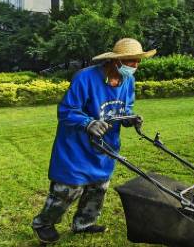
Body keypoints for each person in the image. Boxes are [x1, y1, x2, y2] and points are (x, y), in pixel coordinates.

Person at [31, 38, 155, 243]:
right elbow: (67, 110)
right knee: (68, 189)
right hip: (76, 146)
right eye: (131, 61)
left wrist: (130, 118)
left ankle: (84, 223)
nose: (135, 65)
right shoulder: (85, 78)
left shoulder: (128, 81)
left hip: (104, 146)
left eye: (138, 61)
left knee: (99, 187)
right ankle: (43, 224)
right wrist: (88, 123)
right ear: (116, 60)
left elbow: (124, 109)